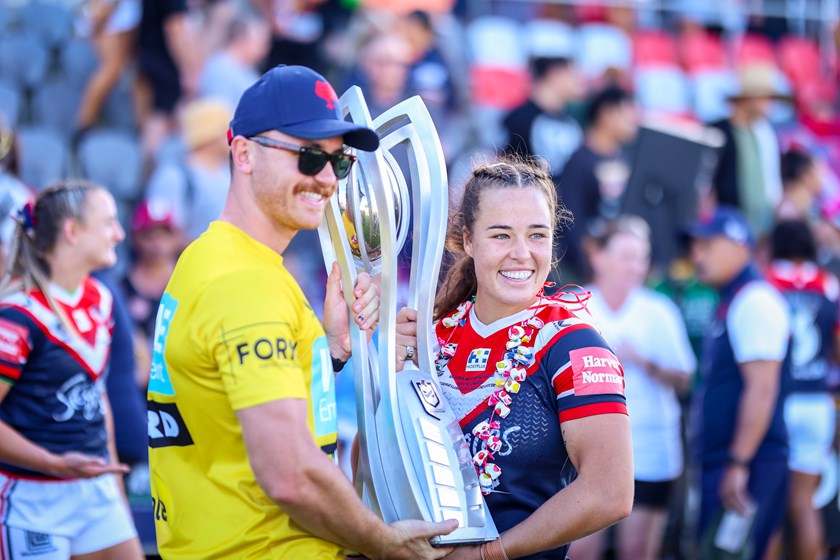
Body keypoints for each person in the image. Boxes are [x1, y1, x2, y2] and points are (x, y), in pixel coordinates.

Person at [147, 65, 457, 559]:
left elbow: (224, 404)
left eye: (340, 163)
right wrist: (383, 543)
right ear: (244, 153)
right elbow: (288, 474)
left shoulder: (212, 256)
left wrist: (329, 351)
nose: (327, 179)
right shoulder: (246, 285)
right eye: (309, 156)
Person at [396, 158, 634, 560]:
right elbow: (374, 464)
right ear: (469, 241)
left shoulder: (575, 345)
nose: (521, 254)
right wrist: (395, 373)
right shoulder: (428, 336)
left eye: (537, 235)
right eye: (501, 235)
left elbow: (611, 493)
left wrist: (488, 555)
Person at [0, 181, 144, 559]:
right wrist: (52, 462)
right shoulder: (17, 317)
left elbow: (97, 397)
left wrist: (112, 482)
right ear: (72, 232)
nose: (120, 233)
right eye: (109, 223)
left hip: (95, 488)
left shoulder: (102, 299)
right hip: (33, 497)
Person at [570, 216, 694, 560]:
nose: (636, 266)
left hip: (651, 447)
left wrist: (645, 363)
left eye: (642, 257)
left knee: (637, 550)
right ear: (598, 257)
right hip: (585, 449)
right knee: (579, 550)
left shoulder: (660, 311)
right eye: (627, 255)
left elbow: (685, 379)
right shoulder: (575, 307)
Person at [689, 206, 791, 559]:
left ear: (739, 245)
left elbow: (762, 389)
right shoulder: (734, 298)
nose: (696, 256)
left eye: (707, 246)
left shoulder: (755, 300)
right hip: (735, 459)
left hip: (747, 462)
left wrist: (738, 463)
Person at [766, 220, 838, 560]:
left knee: (770, 503)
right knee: (804, 503)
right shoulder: (829, 284)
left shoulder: (764, 282)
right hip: (815, 401)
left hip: (776, 401)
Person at [555, 85, 637, 283]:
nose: (634, 122)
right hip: (582, 273)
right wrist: (587, 267)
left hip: (619, 268)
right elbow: (570, 220)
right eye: (628, 114)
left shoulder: (628, 159)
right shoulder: (578, 162)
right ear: (607, 113)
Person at [709, 64, 788, 237]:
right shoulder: (717, 132)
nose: (770, 105)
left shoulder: (765, 133)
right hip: (727, 228)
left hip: (763, 228)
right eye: (765, 98)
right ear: (749, 99)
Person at [145, 98, 232, 241]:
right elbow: (161, 238)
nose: (234, 137)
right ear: (211, 135)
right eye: (228, 132)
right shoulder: (173, 176)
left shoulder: (230, 175)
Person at [502, 56, 585, 175]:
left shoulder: (572, 123)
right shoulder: (517, 119)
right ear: (554, 74)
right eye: (573, 75)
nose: (579, 81)